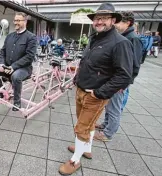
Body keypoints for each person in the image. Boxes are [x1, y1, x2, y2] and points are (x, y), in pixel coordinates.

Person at [58, 3, 133, 175]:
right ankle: (86, 148)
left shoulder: (120, 43)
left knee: (81, 128)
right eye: (97, 18)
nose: (99, 22)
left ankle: (75, 160)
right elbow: (86, 62)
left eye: (104, 18)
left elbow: (124, 75)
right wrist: (77, 78)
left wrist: (100, 92)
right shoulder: (94, 38)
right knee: (88, 125)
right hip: (81, 90)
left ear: (113, 20)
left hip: (96, 95)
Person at [94, 11, 143, 142]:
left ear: (128, 23)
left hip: (120, 82)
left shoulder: (133, 38)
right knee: (109, 105)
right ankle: (105, 125)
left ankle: (108, 134)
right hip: (113, 79)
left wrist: (124, 84)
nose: (115, 24)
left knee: (114, 107)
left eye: (119, 21)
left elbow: (135, 64)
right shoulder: (124, 36)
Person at [0, 12, 37, 111]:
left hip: (24, 68)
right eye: (15, 20)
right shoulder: (9, 36)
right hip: (7, 66)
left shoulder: (31, 37)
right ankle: (2, 92)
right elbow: (3, 51)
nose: (15, 22)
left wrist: (13, 67)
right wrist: (2, 64)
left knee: (15, 76)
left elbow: (29, 56)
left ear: (25, 22)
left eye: (18, 20)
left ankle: (17, 102)